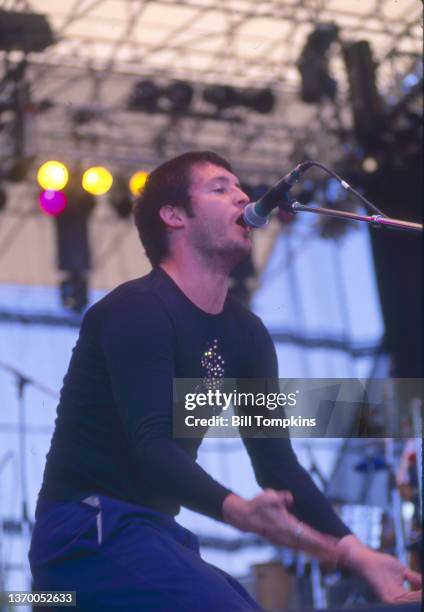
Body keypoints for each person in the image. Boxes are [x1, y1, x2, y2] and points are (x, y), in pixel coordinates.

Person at [29, 151, 422, 610]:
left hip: (151, 533)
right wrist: (242, 511)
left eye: (240, 187)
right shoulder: (134, 310)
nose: (242, 196)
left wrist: (359, 553)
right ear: (174, 216)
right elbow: (152, 445)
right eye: (219, 188)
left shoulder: (246, 335)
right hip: (84, 531)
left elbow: (277, 465)